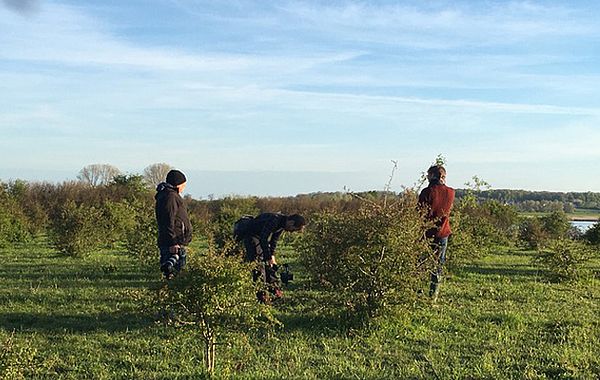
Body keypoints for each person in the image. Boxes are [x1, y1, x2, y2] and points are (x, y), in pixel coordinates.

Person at [240, 213, 306, 302]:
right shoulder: (274, 220)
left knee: (270, 266)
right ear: (291, 222)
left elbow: (273, 241)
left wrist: (272, 256)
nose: (291, 232)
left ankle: (274, 291)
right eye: (293, 229)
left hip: (260, 237)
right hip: (251, 235)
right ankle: (262, 296)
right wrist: (268, 257)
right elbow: (264, 238)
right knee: (258, 265)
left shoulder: (282, 225)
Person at [418, 165, 455, 300]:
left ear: (433, 175)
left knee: (421, 264)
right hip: (443, 233)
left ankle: (418, 293)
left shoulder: (427, 192)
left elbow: (419, 213)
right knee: (438, 265)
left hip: (426, 233)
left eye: (428, 175)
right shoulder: (451, 192)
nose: (427, 177)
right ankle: (433, 296)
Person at [155, 169, 192, 279]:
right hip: (173, 244)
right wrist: (173, 242)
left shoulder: (167, 195)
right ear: (177, 184)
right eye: (183, 185)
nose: (183, 188)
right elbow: (167, 220)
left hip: (173, 242)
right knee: (176, 277)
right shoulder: (170, 197)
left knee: (172, 275)